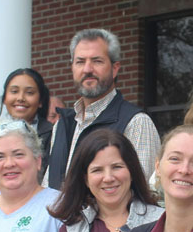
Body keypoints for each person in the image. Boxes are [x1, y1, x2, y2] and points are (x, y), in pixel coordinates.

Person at [44, 28, 161, 189]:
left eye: (97, 61)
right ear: (72, 68)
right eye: (80, 61)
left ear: (115, 68)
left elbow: (141, 195)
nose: (87, 69)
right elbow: (48, 188)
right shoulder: (62, 125)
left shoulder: (136, 123)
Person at [0, 68, 54, 208]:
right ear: (5, 99)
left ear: (40, 100)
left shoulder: (54, 137)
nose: (20, 98)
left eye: (29, 92)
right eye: (14, 91)